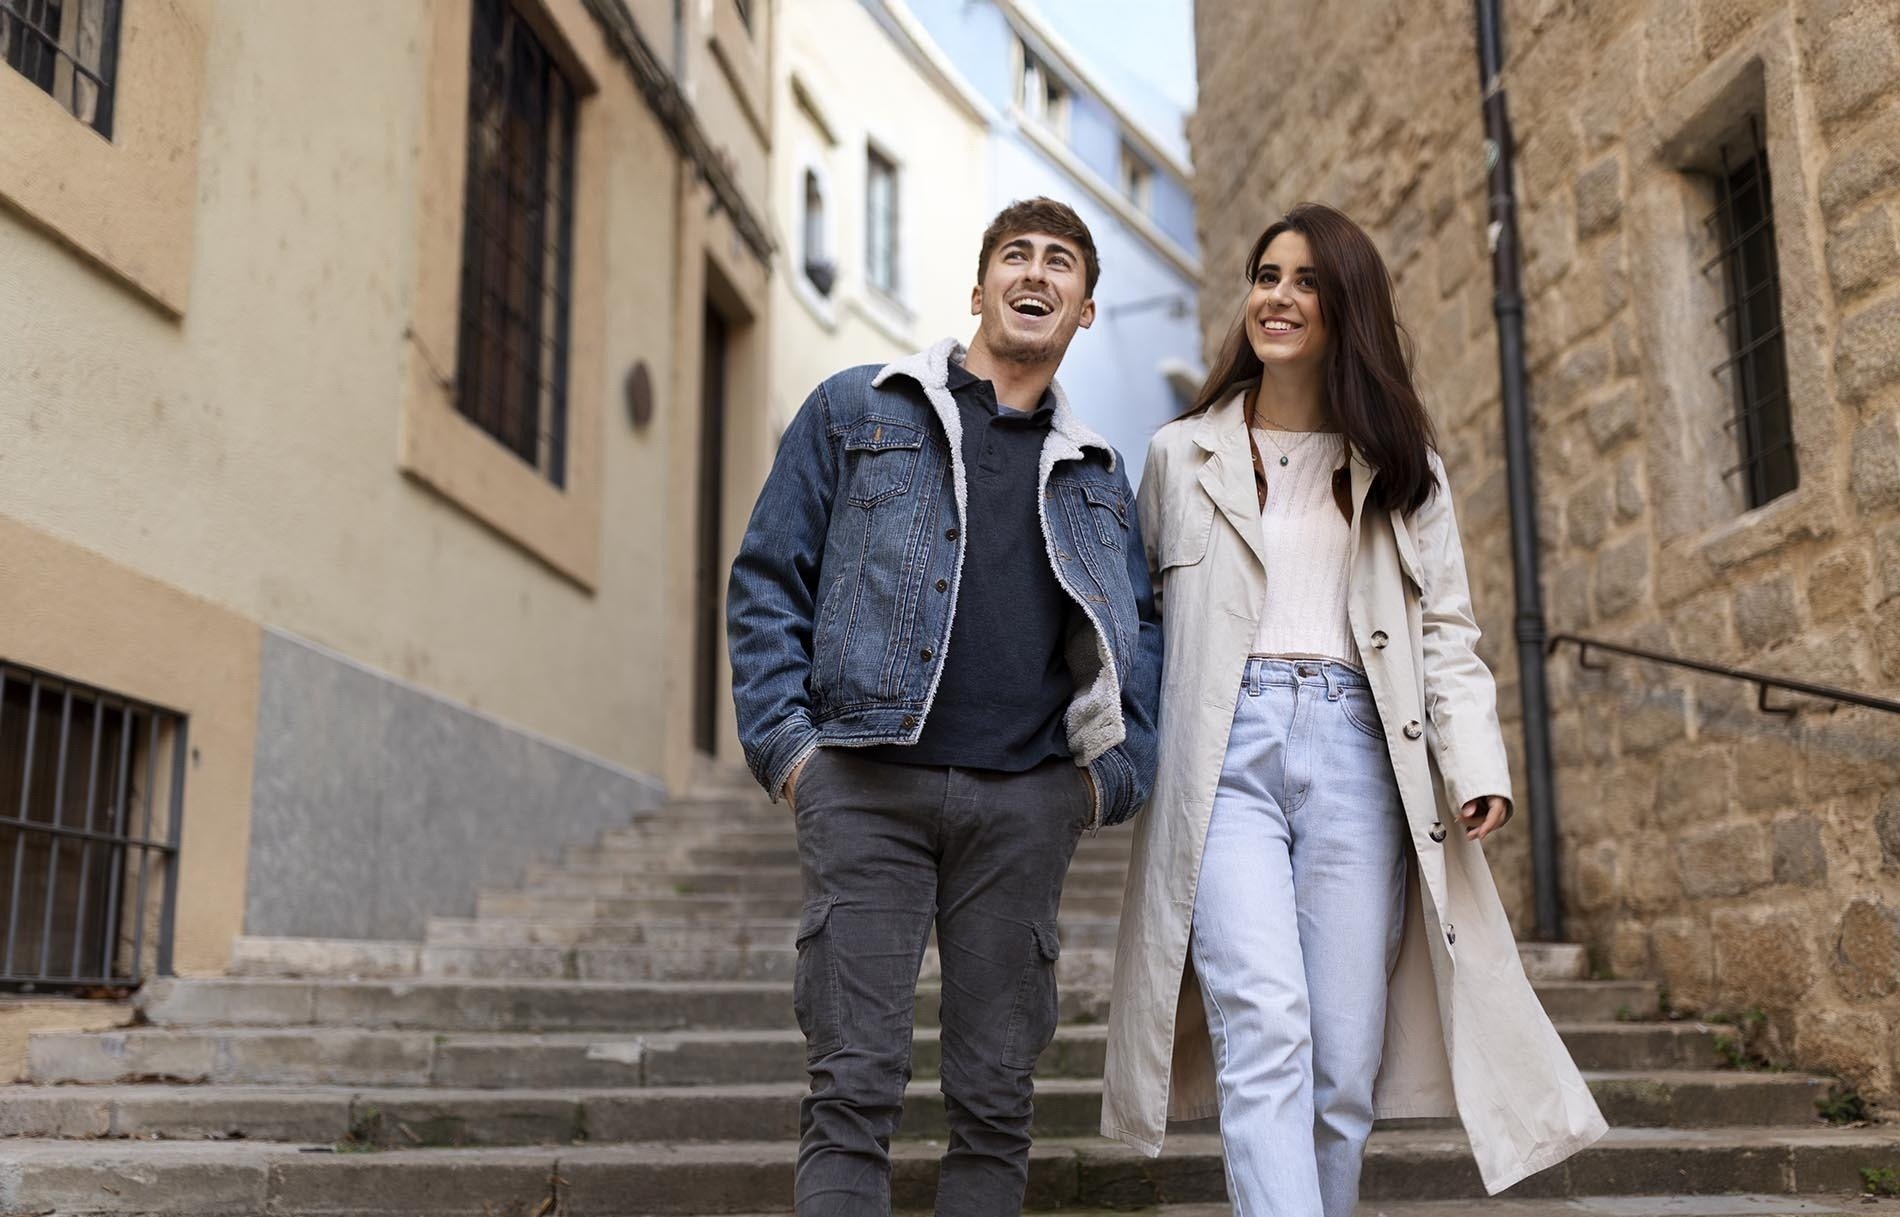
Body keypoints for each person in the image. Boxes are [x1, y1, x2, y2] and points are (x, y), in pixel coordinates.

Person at [1099, 202, 1605, 1213]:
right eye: (1265, 274)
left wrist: (1475, 766)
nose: (1276, 297)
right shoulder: (1176, 457)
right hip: (1224, 751)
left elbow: (1444, 630)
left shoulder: (1405, 466)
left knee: (1341, 1059)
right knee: (1266, 1021)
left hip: (1357, 753)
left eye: (1305, 281)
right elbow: (1138, 634)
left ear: (1346, 308)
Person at [727, 196, 1162, 1217]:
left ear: (1085, 308)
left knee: (996, 1099)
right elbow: (765, 582)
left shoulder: (1100, 479)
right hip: (866, 785)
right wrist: (792, 750)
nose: (1037, 273)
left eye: (1061, 263)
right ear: (979, 289)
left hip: (1023, 806)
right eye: (1017, 255)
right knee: (851, 1087)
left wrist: (1101, 782)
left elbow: (1145, 645)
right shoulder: (855, 410)